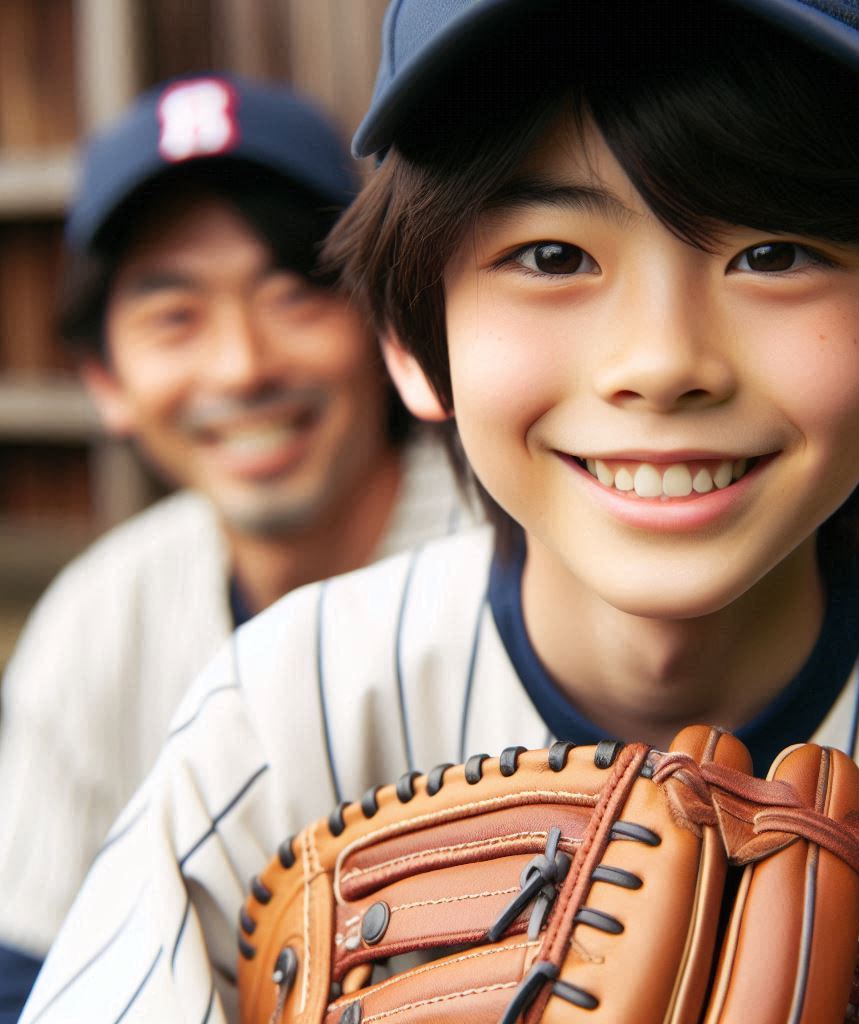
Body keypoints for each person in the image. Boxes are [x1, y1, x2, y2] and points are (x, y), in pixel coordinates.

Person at [19, 3, 859, 1021]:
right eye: (551, 255)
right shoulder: (278, 714)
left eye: (773, 252)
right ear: (412, 343)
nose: (663, 362)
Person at [0, 73, 474, 1021]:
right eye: (174, 315)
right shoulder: (102, 611)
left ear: (388, 323)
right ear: (105, 380)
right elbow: (27, 970)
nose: (243, 365)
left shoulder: (525, 563)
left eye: (296, 293)